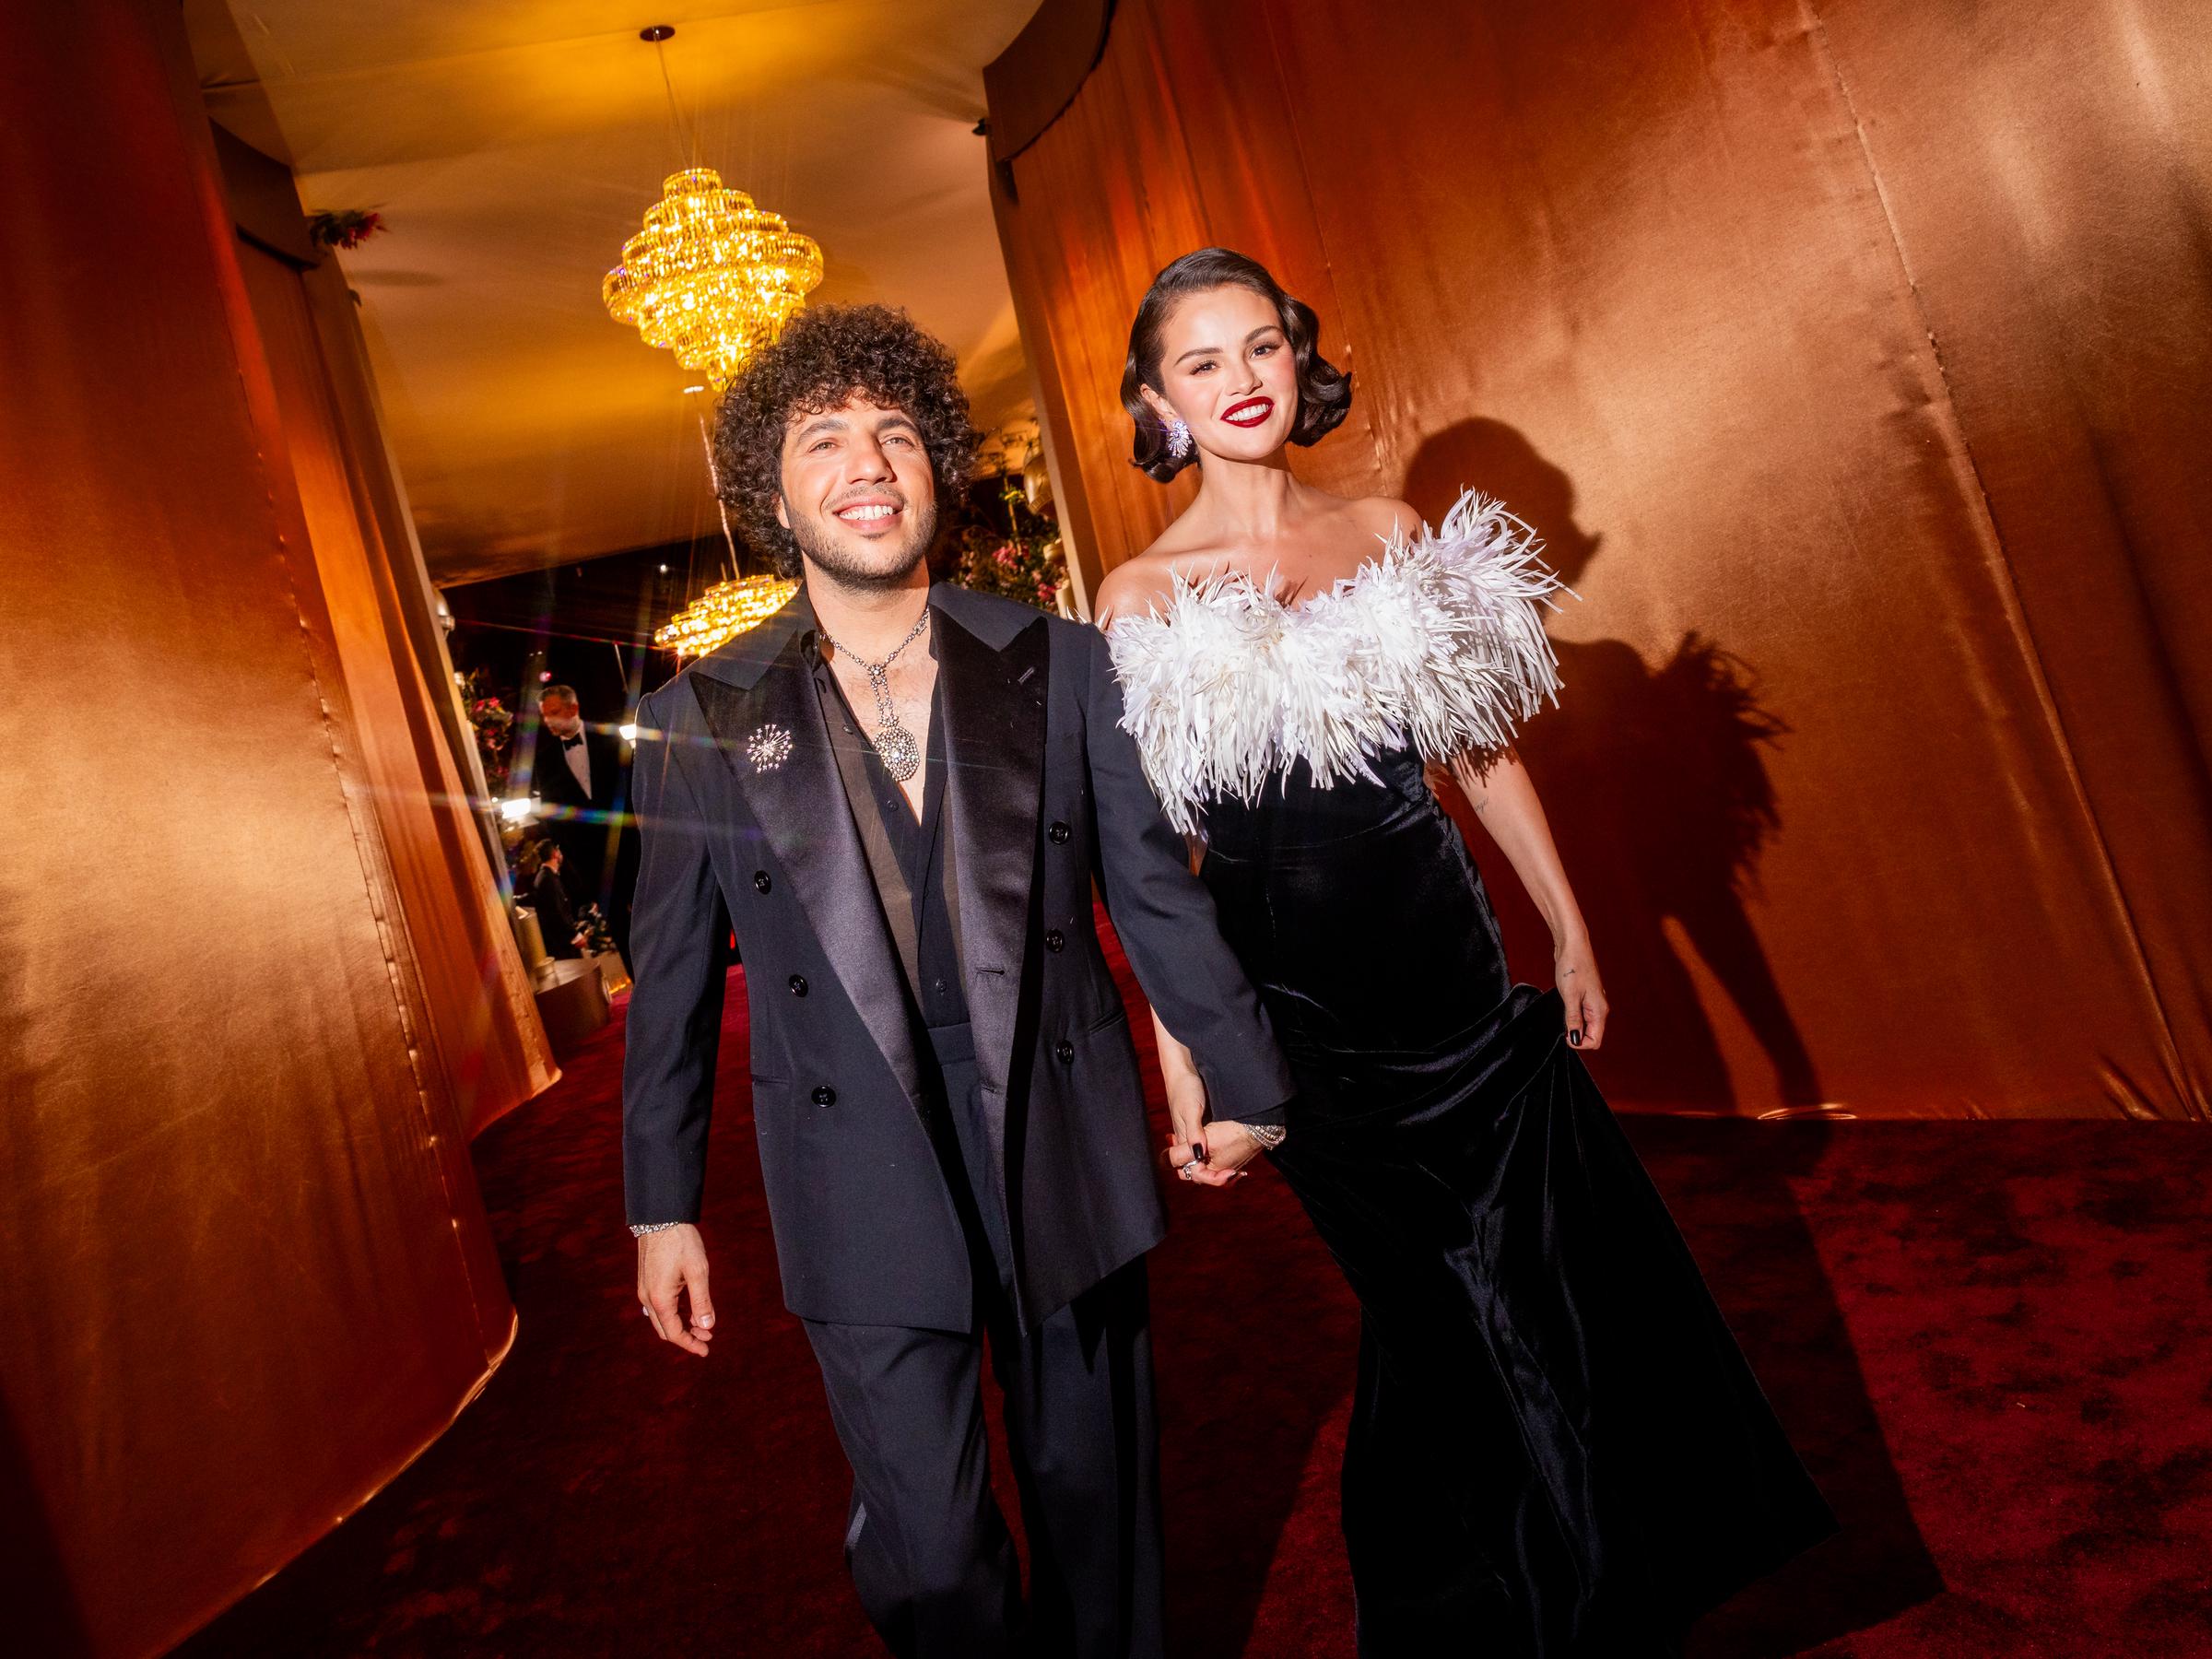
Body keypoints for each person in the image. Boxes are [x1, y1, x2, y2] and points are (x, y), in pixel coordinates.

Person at [1094, 248, 1837, 1656]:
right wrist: (1190, 1065)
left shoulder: (1386, 526)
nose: (1242, 381)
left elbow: (1478, 750)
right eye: (1203, 363)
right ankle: (1545, 1606)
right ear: (1158, 402)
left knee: (1537, 1292)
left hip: (1453, 977)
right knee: (1438, 1309)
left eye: (1262, 347)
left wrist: (1567, 930)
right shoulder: (1137, 599)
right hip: (1303, 1027)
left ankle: (1513, 1601)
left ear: (1298, 361)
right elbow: (1155, 870)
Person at [620, 303, 1292, 1659]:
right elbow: (674, 979)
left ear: (939, 467)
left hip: (1059, 1128)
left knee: (1098, 1507)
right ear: (775, 489)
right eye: (826, 439)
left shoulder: (1060, 664)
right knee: (929, 1545)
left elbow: (1153, 892)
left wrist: (1244, 1074)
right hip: (849, 1164)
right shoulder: (704, 716)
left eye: (895, 432)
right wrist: (659, 1208)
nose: (867, 462)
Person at [527, 683, 635, 960]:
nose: (548, 720)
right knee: (622, 932)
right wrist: (580, 871)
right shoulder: (545, 762)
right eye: (545, 715)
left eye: (554, 712)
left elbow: (637, 790)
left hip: (635, 851)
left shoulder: (609, 739)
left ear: (574, 708)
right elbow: (554, 823)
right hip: (595, 868)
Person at [524, 839, 585, 959]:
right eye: (558, 850)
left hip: (563, 943)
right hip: (562, 946)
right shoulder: (546, 879)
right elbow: (556, 912)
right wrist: (574, 935)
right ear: (555, 854)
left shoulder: (549, 876)